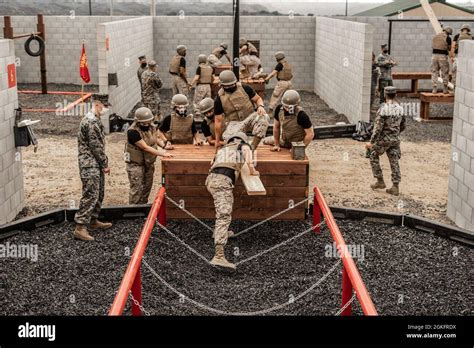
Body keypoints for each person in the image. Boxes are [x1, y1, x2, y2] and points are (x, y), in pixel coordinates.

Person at [206, 132, 259, 270]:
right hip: (222, 181)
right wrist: (252, 170)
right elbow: (248, 156)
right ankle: (218, 255)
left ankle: (220, 232)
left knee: (223, 206)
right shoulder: (243, 145)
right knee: (224, 214)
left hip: (211, 180)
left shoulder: (222, 150)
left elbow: (212, 163)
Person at [74, 100, 112, 241]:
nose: (106, 109)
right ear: (97, 104)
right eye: (105, 106)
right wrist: (104, 163)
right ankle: (80, 227)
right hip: (90, 164)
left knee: (98, 192)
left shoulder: (95, 119)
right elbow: (95, 146)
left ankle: (92, 220)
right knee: (90, 194)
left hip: (94, 163)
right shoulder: (91, 122)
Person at [125, 107, 173, 205]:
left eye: (148, 122)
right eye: (144, 123)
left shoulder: (152, 127)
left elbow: (154, 139)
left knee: (147, 187)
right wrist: (162, 154)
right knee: (137, 189)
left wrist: (164, 145)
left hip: (148, 163)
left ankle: (142, 207)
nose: (146, 125)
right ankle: (133, 209)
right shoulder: (133, 132)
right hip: (136, 164)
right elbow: (145, 147)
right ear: (138, 122)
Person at [213, 70, 268, 151]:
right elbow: (218, 121)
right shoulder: (219, 98)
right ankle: (240, 148)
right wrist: (217, 141)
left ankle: (252, 148)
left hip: (250, 118)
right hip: (234, 123)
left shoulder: (245, 88)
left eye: (232, 85)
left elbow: (258, 99)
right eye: (227, 86)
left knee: (264, 118)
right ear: (222, 85)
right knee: (229, 137)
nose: (230, 87)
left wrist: (261, 106)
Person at [366, 86, 405, 196]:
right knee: (394, 160)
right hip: (395, 139)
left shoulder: (383, 109)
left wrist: (371, 142)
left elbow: (377, 128)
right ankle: (395, 186)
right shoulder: (400, 108)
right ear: (395, 95)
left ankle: (380, 180)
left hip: (384, 140)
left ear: (385, 95)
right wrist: (395, 134)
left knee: (372, 153)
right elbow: (403, 125)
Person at [264, 51, 293, 116]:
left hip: (282, 83)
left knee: (275, 96)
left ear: (277, 58)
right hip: (289, 82)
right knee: (288, 98)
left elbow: (273, 73)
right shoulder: (287, 64)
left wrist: (267, 78)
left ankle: (270, 113)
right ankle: (289, 112)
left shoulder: (280, 64)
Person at [190, 54, 213, 119]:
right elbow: (212, 78)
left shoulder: (199, 67)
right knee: (207, 101)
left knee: (197, 101)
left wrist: (191, 84)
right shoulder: (210, 68)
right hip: (208, 86)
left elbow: (196, 78)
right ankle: (208, 114)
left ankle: (198, 115)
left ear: (199, 60)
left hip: (201, 86)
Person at [431, 26, 453, 94]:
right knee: (445, 72)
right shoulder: (448, 38)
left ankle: (434, 88)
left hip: (434, 56)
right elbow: (449, 49)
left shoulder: (436, 36)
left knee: (434, 72)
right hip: (442, 56)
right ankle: (445, 89)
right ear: (448, 33)